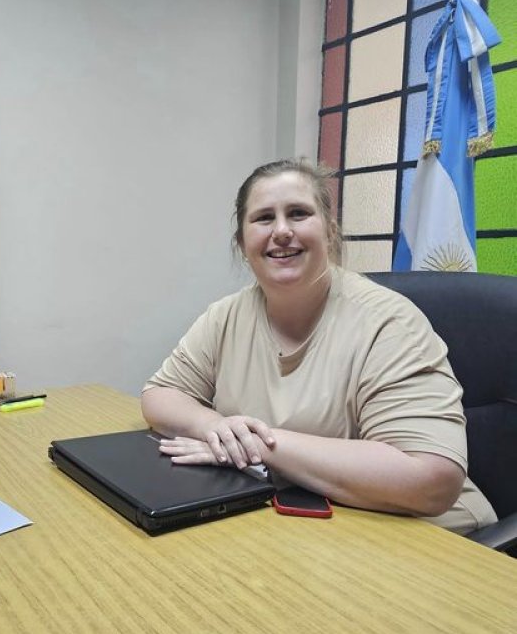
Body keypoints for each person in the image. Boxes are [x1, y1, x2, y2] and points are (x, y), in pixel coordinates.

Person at [142, 158, 497, 534]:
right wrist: (213, 426)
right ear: (242, 243)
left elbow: (432, 479)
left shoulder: (388, 323)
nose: (280, 231)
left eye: (298, 213)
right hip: (303, 523)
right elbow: (161, 393)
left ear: (329, 232)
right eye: (263, 218)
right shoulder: (227, 314)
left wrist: (258, 446)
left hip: (419, 536)